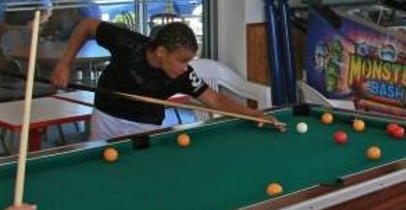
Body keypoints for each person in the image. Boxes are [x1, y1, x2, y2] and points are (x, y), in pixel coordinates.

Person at [50, 19, 279, 140]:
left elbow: (216, 100)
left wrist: (254, 114)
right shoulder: (127, 43)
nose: (186, 67)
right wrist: (65, 64)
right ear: (161, 52)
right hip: (106, 117)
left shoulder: (183, 75)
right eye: (182, 60)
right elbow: (87, 25)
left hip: (146, 125)